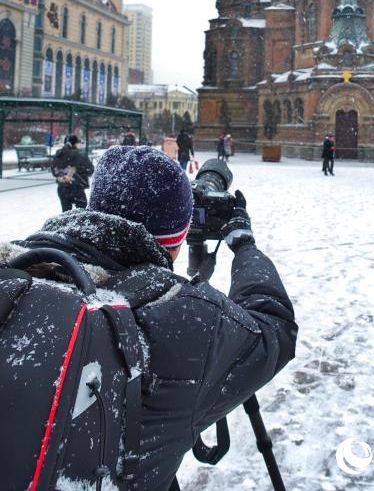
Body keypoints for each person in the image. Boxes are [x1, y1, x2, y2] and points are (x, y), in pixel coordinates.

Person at [12, 146, 297, 490]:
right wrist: (244, 244)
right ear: (176, 241)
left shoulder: (13, 271)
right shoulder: (186, 317)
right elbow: (274, 328)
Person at [51, 134, 94, 210]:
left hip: (62, 188)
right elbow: (90, 170)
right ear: (74, 143)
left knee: (66, 214)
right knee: (82, 214)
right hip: (77, 189)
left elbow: (54, 172)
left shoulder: (58, 154)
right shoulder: (80, 154)